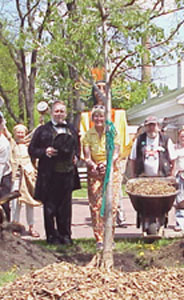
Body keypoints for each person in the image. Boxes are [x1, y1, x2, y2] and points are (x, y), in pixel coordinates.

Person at [29, 100, 80, 245]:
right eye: (56, 111)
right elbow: (32, 150)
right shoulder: (42, 130)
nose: (59, 114)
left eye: (62, 111)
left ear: (66, 113)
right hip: (49, 175)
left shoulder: (71, 129)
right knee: (50, 207)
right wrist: (45, 151)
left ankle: (66, 236)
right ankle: (52, 237)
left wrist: (76, 157)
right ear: (52, 112)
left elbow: (77, 147)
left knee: (65, 207)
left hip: (67, 174)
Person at [80, 81, 129, 228]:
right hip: (94, 165)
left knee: (114, 196)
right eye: (97, 89)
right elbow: (84, 141)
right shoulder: (86, 117)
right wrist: (93, 163)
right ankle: (99, 234)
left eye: (104, 88)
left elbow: (121, 140)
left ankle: (118, 218)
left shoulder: (118, 115)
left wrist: (111, 161)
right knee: (96, 200)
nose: (101, 91)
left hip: (113, 163)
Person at [82, 105, 121, 250]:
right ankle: (99, 238)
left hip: (111, 170)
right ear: (92, 119)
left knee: (112, 205)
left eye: (101, 116)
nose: (99, 119)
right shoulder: (88, 134)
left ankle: (110, 237)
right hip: (95, 172)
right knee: (96, 207)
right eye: (96, 116)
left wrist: (107, 163)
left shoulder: (112, 132)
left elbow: (116, 153)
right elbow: (86, 156)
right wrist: (93, 165)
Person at [10, 124, 40, 238]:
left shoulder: (29, 146)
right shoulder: (12, 144)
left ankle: (31, 227)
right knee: (15, 203)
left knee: (29, 202)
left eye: (22, 132)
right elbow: (6, 134)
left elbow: (36, 133)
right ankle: (15, 227)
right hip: (16, 177)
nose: (20, 134)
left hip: (28, 176)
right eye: (18, 132)